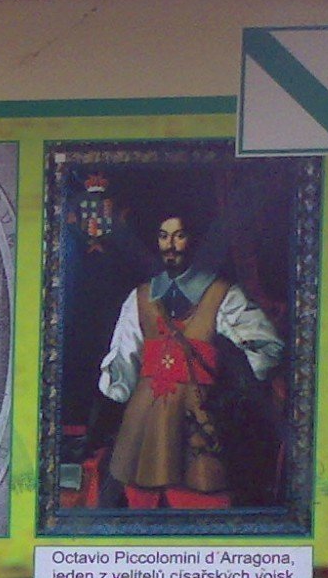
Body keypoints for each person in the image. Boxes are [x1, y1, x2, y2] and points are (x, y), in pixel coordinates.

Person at [97, 211, 285, 509]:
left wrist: (235, 383)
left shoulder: (223, 294)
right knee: (136, 500)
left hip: (198, 417)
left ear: (194, 240)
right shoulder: (140, 297)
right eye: (163, 236)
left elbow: (268, 348)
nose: (170, 244)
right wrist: (118, 391)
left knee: (203, 498)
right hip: (143, 423)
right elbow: (122, 364)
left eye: (179, 235)